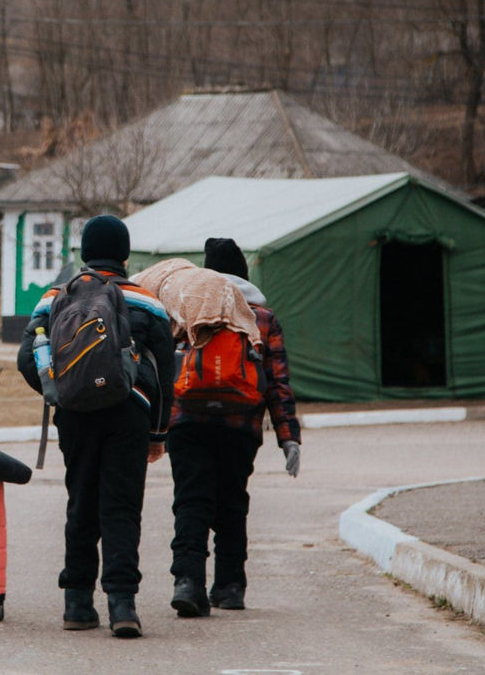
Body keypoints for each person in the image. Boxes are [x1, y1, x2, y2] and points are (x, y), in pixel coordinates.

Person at [18, 215, 175, 639]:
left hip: (75, 416)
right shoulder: (146, 301)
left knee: (81, 502)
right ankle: (122, 605)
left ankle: (77, 603)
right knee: (121, 507)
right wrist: (158, 434)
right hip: (129, 413)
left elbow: (27, 358)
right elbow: (165, 376)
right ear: (124, 255)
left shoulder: (54, 297)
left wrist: (63, 392)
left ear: (85, 253)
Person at [165, 237, 301, 617]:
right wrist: (289, 438)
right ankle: (230, 586)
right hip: (240, 424)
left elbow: (164, 369)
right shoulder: (262, 318)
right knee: (232, 503)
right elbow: (278, 382)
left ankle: (188, 582)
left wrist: (155, 429)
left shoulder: (186, 307)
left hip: (188, 421)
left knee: (191, 501)